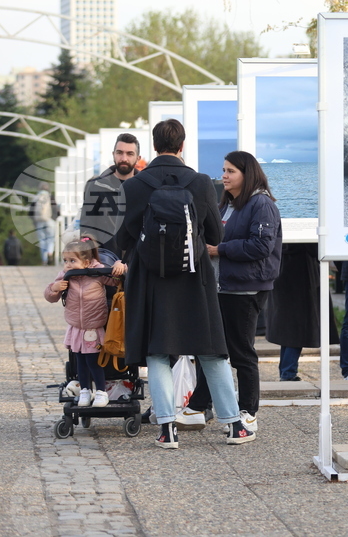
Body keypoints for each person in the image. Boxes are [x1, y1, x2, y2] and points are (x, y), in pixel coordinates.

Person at [115, 119, 255, 449]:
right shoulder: (201, 182)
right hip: (195, 279)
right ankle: (235, 426)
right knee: (211, 351)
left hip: (150, 279)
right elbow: (216, 235)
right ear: (182, 146)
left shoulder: (134, 186)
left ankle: (166, 429)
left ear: (153, 146)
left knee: (158, 352)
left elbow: (124, 237)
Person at [178, 151, 282, 432]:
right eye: (223, 170)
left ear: (247, 174)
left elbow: (261, 246)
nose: (224, 175)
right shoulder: (227, 205)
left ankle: (248, 411)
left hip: (245, 290)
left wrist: (220, 249)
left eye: (230, 171)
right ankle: (199, 406)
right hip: (221, 288)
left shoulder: (261, 205)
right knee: (209, 349)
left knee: (241, 353)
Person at [43, 237, 125, 409]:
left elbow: (116, 281)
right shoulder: (67, 276)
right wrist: (54, 288)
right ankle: (85, 390)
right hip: (75, 327)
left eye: (72, 260)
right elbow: (51, 296)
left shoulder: (97, 272)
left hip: (93, 327)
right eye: (65, 260)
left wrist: (120, 266)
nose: (68, 264)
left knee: (93, 361)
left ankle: (101, 391)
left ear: (87, 261)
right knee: (79, 360)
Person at [265, 244, 340, 382]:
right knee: (298, 330)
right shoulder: (306, 237)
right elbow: (318, 251)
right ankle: (288, 372)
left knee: (289, 330)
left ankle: (286, 370)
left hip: (282, 277)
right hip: (304, 278)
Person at [80, 133, 141, 257]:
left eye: (130, 154)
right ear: (113, 154)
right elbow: (87, 226)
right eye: (119, 153)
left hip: (136, 261)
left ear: (138, 158)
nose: (124, 158)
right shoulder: (96, 185)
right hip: (105, 260)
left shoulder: (144, 187)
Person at [32, 183, 56, 266]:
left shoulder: (36, 197)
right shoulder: (50, 197)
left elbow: (31, 212)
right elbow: (55, 209)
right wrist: (54, 219)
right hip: (49, 220)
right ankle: (50, 252)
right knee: (51, 239)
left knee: (42, 241)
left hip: (39, 222)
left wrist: (34, 221)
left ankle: (44, 259)